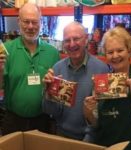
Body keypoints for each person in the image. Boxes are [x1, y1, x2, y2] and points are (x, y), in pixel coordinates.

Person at [83, 26, 131, 149]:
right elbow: (96, 124)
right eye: (110, 52)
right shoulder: (101, 82)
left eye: (120, 50)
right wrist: (88, 112)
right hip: (107, 145)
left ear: (129, 51)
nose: (115, 56)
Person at [42, 21, 110, 140]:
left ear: (86, 39)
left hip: (91, 139)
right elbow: (51, 111)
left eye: (76, 39)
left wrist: (88, 140)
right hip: (62, 137)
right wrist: (48, 93)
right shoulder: (57, 68)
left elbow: (104, 113)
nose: (72, 44)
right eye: (67, 40)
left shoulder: (101, 69)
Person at [0, 3, 60, 135]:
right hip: (13, 120)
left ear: (41, 22)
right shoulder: (6, 50)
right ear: (18, 22)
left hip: (42, 121)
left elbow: (57, 91)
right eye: (26, 22)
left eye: (34, 22)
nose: (30, 27)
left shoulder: (53, 53)